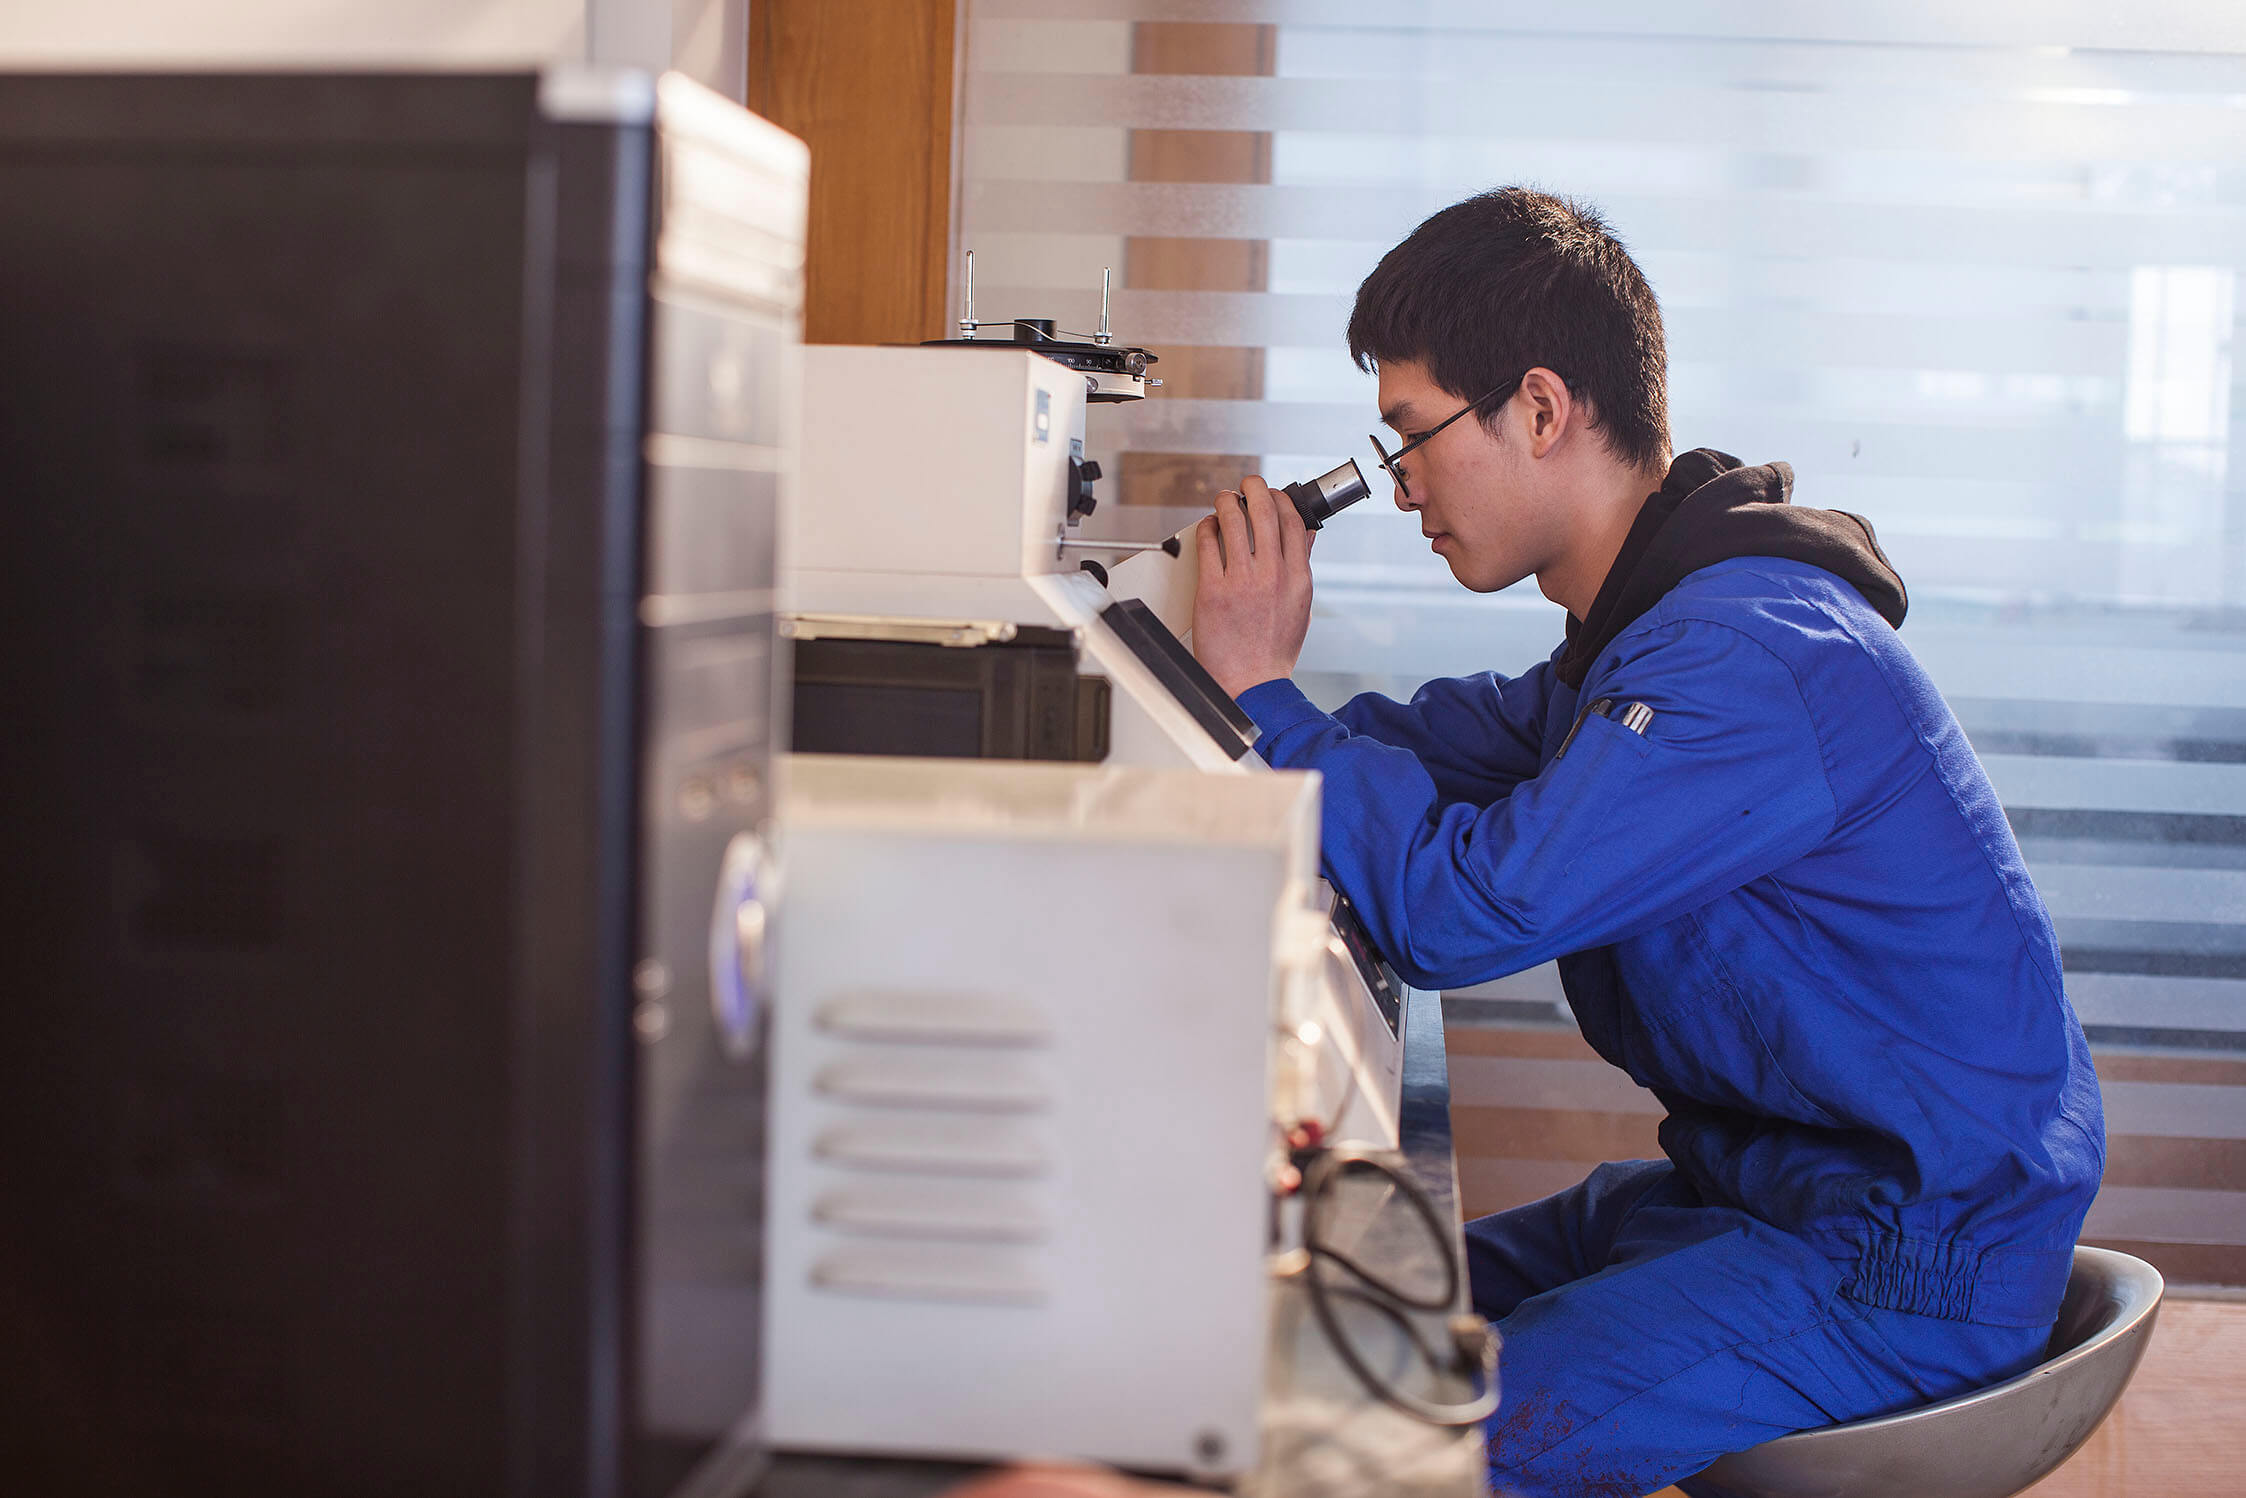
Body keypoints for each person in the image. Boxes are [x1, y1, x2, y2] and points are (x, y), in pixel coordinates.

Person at [1187, 188, 2105, 1498]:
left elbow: (1463, 911)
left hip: (1898, 1258)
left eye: (1412, 435)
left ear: (1539, 409)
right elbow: (1428, 744)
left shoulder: (1742, 660)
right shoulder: (1638, 648)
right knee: (1324, 1321)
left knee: (1401, 1449)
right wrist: (1223, 697)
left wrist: (1264, 690)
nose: (1398, 487)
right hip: (1755, 1201)